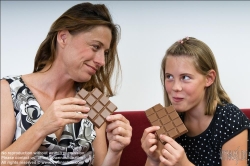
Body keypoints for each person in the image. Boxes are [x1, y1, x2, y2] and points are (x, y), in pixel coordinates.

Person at [1, 2, 132, 166]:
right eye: (95, 47)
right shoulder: (7, 91)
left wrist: (115, 151)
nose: (101, 61)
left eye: (105, 53)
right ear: (63, 38)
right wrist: (41, 127)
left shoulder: (94, 99)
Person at [141, 37, 250, 166]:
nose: (175, 87)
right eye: (169, 76)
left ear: (209, 78)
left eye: (185, 77)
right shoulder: (168, 121)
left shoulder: (231, 120)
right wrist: (154, 159)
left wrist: (184, 164)